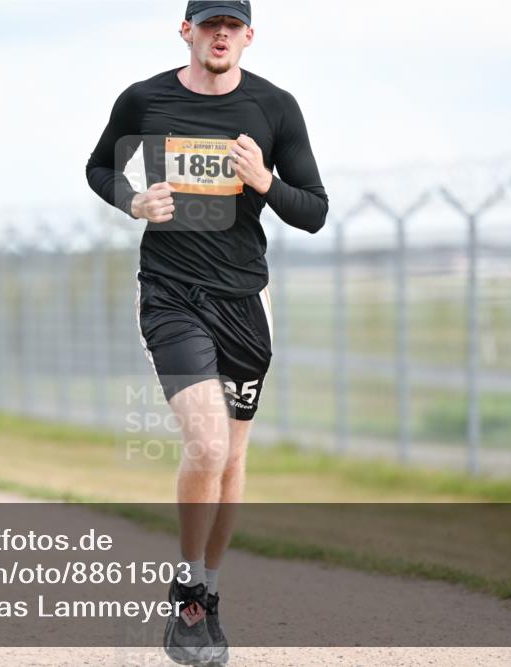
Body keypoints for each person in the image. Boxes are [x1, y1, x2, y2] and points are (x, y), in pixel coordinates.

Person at [85, 1, 328, 663]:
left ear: (249, 36)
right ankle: (187, 592)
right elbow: (98, 167)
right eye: (208, 24)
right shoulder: (144, 99)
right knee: (208, 440)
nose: (220, 36)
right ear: (187, 31)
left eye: (232, 26)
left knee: (232, 457)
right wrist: (132, 199)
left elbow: (315, 211)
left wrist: (266, 182)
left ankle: (209, 593)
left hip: (246, 299)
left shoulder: (274, 108)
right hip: (169, 294)